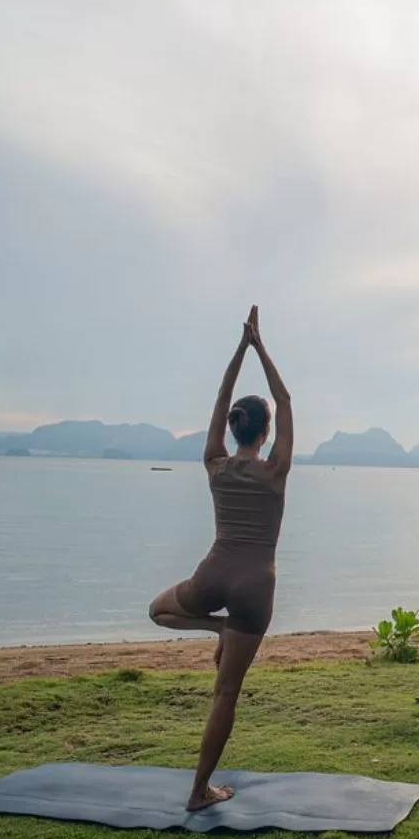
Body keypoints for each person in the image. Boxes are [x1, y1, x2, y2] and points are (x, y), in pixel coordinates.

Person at [146, 305, 293, 810]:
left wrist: (239, 348)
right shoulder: (275, 470)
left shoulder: (214, 464)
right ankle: (197, 791)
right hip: (257, 587)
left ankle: (213, 628)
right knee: (225, 695)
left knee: (157, 610)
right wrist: (259, 345)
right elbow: (284, 396)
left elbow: (220, 398)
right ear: (266, 431)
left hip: (213, 575)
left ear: (233, 430)